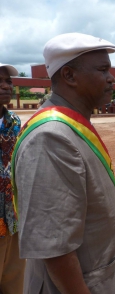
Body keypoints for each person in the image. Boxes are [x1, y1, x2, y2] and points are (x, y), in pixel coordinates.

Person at [13, 33, 115, 294]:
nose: (112, 78)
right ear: (69, 76)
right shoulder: (51, 138)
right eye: (103, 70)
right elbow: (54, 248)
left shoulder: (72, 126)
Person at [0, 64, 25, 294]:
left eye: (8, 82)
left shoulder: (14, 123)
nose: (6, 86)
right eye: (0, 82)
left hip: (13, 221)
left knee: (15, 285)